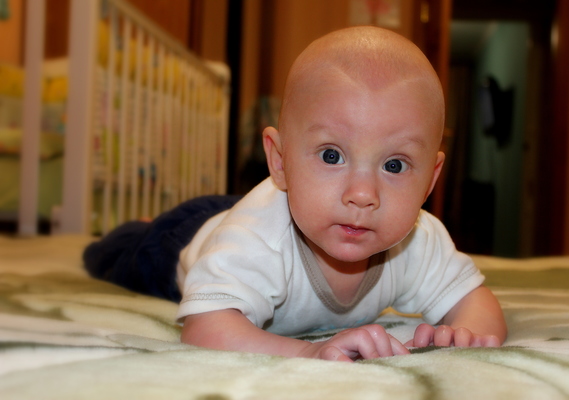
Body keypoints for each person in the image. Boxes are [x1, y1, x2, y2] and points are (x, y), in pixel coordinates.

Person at [84, 26, 507, 363]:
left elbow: (476, 300)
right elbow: (205, 329)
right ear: (280, 161)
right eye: (332, 155)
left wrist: (464, 333)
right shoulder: (256, 239)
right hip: (186, 235)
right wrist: (308, 352)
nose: (362, 194)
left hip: (274, 211)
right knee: (119, 254)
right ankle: (136, 229)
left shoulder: (417, 240)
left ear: (430, 180)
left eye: (394, 165)